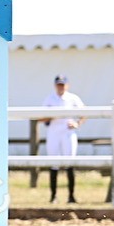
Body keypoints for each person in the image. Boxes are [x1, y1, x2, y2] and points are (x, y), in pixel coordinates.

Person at [41, 75, 86, 203]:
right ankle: (53, 196)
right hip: (54, 132)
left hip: (68, 132)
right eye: (58, 84)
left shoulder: (73, 98)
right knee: (53, 163)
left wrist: (77, 123)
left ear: (67, 85)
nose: (61, 87)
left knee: (70, 162)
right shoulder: (50, 99)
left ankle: (71, 195)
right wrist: (51, 117)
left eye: (63, 84)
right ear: (55, 85)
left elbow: (85, 113)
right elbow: (41, 117)